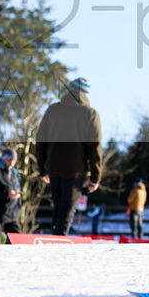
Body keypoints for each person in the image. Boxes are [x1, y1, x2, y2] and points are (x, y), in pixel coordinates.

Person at [35, 77, 102, 235]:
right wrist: (95, 177)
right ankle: (58, 244)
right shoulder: (90, 114)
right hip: (75, 170)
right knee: (66, 211)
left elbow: (40, 140)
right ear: (86, 93)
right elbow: (95, 147)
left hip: (53, 166)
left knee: (58, 209)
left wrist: (42, 168)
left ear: (68, 91)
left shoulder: (53, 109)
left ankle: (55, 240)